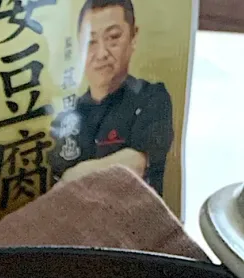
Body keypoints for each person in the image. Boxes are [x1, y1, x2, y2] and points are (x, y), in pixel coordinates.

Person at [49, 0, 174, 195]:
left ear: (133, 37)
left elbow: (133, 165)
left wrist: (71, 177)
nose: (101, 54)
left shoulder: (152, 97)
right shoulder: (68, 116)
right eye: (91, 41)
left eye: (113, 37)